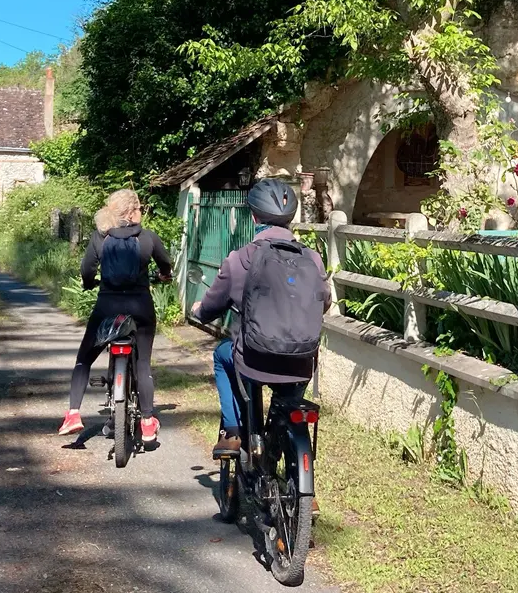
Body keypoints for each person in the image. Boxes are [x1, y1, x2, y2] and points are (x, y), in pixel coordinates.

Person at [191, 178, 331, 458]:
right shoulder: (312, 259)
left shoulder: (239, 259)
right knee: (287, 401)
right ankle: (281, 451)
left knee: (222, 355)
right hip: (301, 360)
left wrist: (198, 310)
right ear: (290, 219)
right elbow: (324, 303)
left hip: (253, 359)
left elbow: (210, 308)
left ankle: (233, 430)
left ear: (254, 217)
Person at [58, 188, 172, 441]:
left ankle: (73, 413)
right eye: (139, 208)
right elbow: (166, 264)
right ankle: (147, 422)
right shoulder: (148, 238)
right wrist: (164, 275)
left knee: (84, 359)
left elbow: (87, 270)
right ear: (131, 212)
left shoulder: (100, 237)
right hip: (140, 307)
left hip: (107, 305)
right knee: (143, 363)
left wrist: (90, 283)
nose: (141, 212)